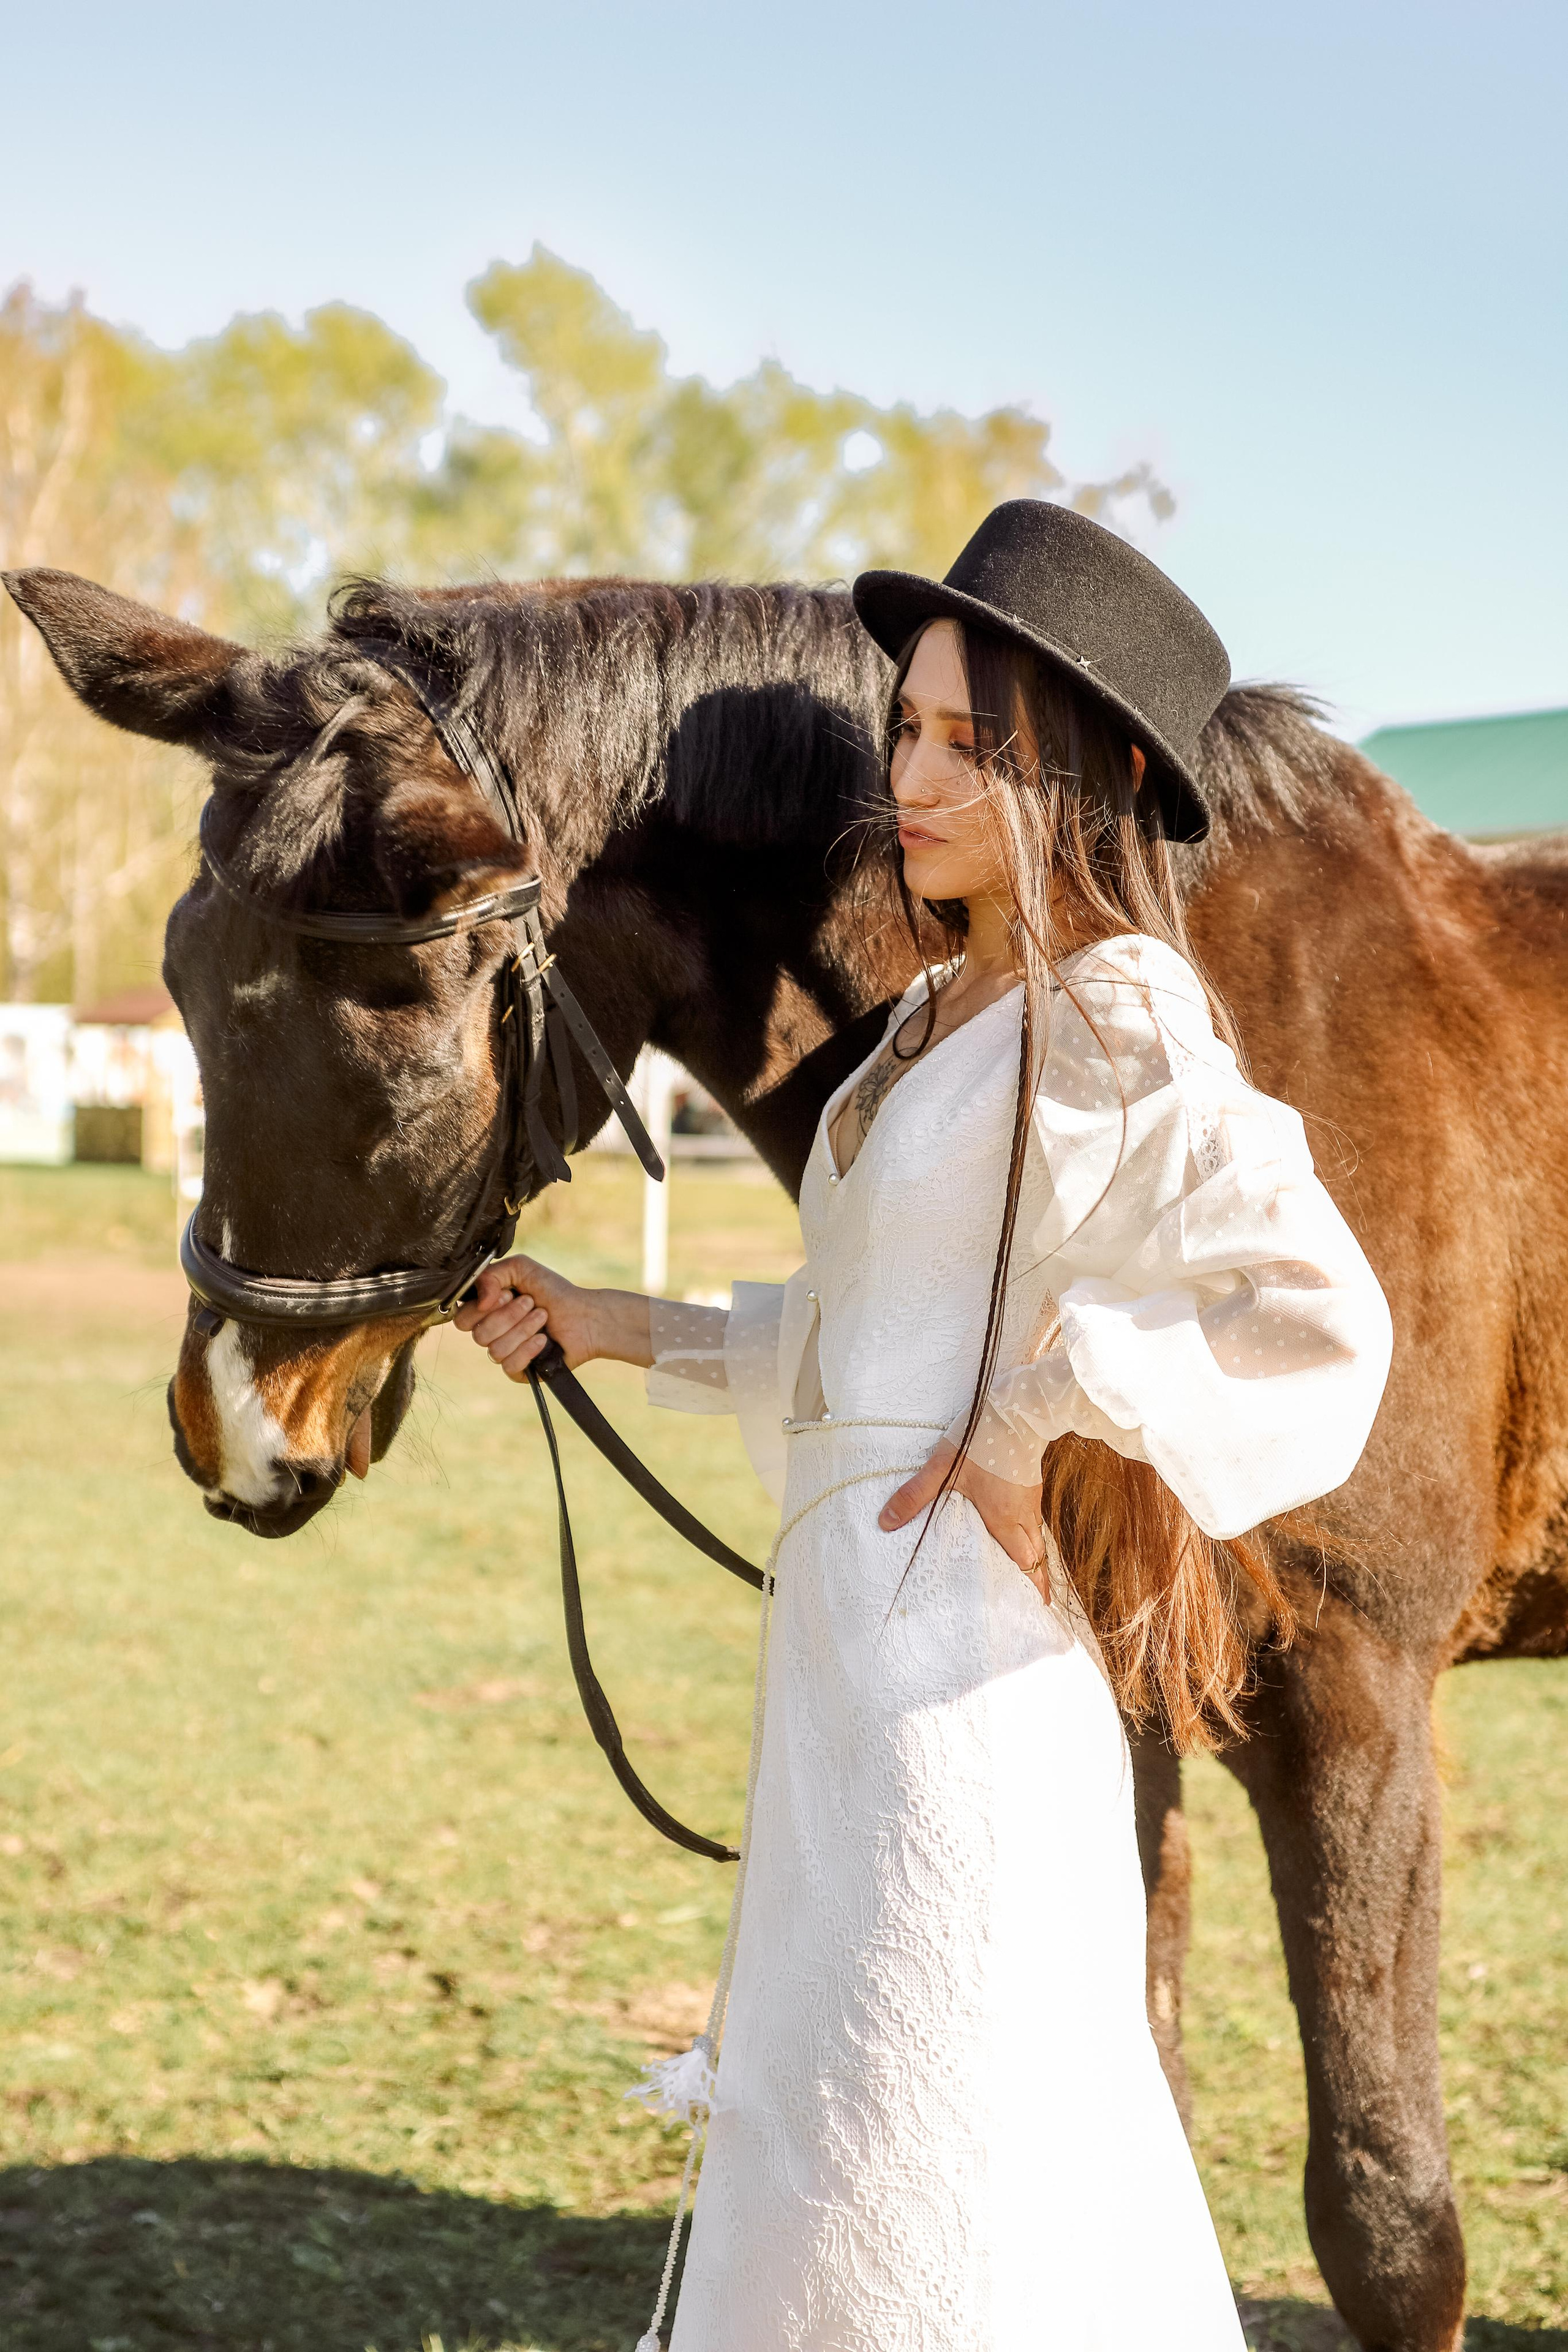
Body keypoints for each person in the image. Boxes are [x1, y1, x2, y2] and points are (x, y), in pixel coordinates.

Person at [455, 500, 1393, 2350]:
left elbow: (1317, 1325)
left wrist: (1045, 1418)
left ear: (1099, 774)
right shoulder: (925, 1030)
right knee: (832, 2134)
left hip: (962, 1698)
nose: (915, 774)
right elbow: (863, 1339)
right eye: (911, 731)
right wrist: (613, 1324)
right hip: (841, 1686)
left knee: (947, 2149)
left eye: (973, 744)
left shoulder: (1119, 1020)